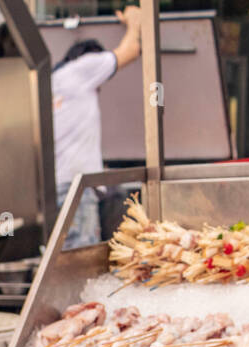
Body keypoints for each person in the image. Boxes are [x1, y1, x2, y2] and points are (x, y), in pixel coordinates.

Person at [51, 5, 142, 248]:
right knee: (81, 262)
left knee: (64, 264)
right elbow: (131, 50)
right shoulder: (83, 68)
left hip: (56, 189)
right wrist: (135, 21)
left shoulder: (52, 81)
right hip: (76, 190)